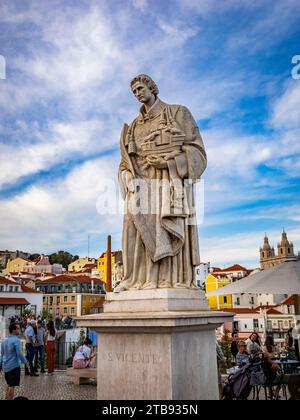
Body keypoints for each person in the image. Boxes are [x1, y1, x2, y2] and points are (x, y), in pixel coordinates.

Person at [115, 74, 207, 291]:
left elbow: (198, 153)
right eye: (134, 91)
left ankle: (168, 279)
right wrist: (126, 175)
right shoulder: (134, 126)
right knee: (131, 227)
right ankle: (134, 279)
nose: (137, 93)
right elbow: (125, 161)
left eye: (140, 88)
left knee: (163, 227)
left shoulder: (177, 113)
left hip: (166, 180)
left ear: (152, 88)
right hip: (139, 185)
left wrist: (170, 163)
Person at [0, 323, 29, 400]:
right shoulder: (16, 340)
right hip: (14, 366)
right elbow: (20, 353)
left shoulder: (4, 341)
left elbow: (2, 355)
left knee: (8, 383)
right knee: (12, 385)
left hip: (5, 366)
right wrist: (26, 362)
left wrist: (0, 365)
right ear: (13, 330)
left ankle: (6, 398)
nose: (20, 330)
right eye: (18, 328)